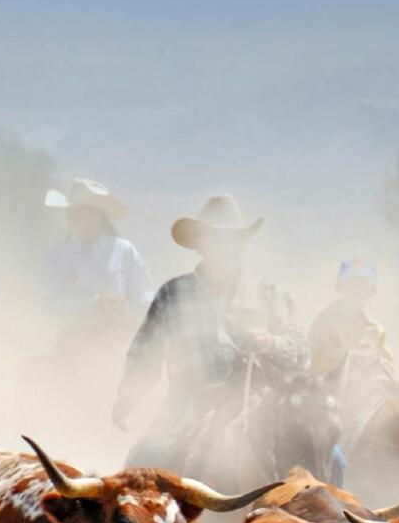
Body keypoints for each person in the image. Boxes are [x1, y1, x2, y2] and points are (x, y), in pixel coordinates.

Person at [112, 193, 307, 469]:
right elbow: (145, 354)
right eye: (216, 239)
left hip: (257, 401)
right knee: (144, 459)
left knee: (331, 457)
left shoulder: (269, 293)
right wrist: (128, 398)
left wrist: (272, 342)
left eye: (233, 239)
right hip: (188, 402)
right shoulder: (173, 294)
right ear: (200, 245)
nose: (227, 247)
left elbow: (301, 350)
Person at [42, 177, 153, 373]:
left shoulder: (124, 250)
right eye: (72, 211)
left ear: (99, 215)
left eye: (83, 210)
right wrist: (95, 304)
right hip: (74, 342)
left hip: (120, 340)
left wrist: (124, 309)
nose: (74, 216)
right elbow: (50, 304)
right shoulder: (57, 256)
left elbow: (145, 297)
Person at [308, 258, 399, 476]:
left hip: (369, 397)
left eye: (362, 286)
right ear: (340, 288)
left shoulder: (376, 328)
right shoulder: (324, 321)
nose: (356, 291)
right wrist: (349, 357)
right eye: (351, 285)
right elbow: (316, 362)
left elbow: (389, 365)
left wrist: (376, 361)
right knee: (332, 455)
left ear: (370, 292)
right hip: (332, 401)